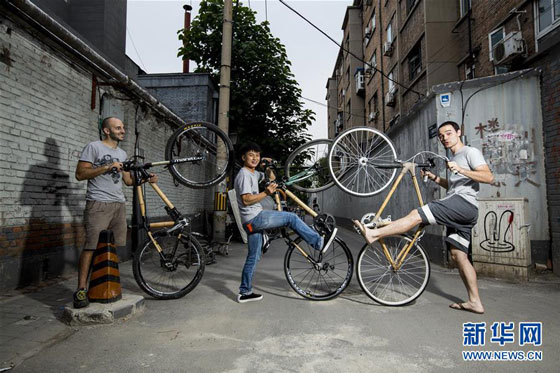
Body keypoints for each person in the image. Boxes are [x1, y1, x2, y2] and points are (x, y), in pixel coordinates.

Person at [354, 121, 494, 314]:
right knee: (458, 256)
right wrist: (436, 178)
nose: (445, 137)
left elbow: (488, 177)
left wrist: (460, 169)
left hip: (464, 205)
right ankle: (475, 301)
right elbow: (455, 186)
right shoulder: (453, 157)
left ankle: (374, 233)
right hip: (462, 209)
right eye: (441, 135)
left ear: (459, 133)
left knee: (416, 215)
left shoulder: (469, 152)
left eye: (449, 133)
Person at [234, 142, 337, 303]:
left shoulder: (253, 173)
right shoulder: (244, 175)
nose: (254, 158)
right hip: (254, 218)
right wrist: (266, 192)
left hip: (250, 221)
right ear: (243, 157)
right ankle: (318, 242)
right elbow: (246, 200)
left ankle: (245, 292)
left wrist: (267, 167)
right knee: (291, 218)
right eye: (251, 155)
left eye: (257, 155)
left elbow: (271, 179)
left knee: (253, 257)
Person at [73, 117, 156, 308]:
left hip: (119, 205)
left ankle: (105, 287)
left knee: (112, 248)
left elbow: (127, 181)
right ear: (107, 130)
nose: (123, 130)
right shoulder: (93, 147)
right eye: (118, 128)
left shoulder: (122, 153)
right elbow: (80, 174)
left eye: (123, 127)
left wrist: (146, 180)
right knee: (91, 247)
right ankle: (81, 290)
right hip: (98, 204)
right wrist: (107, 167)